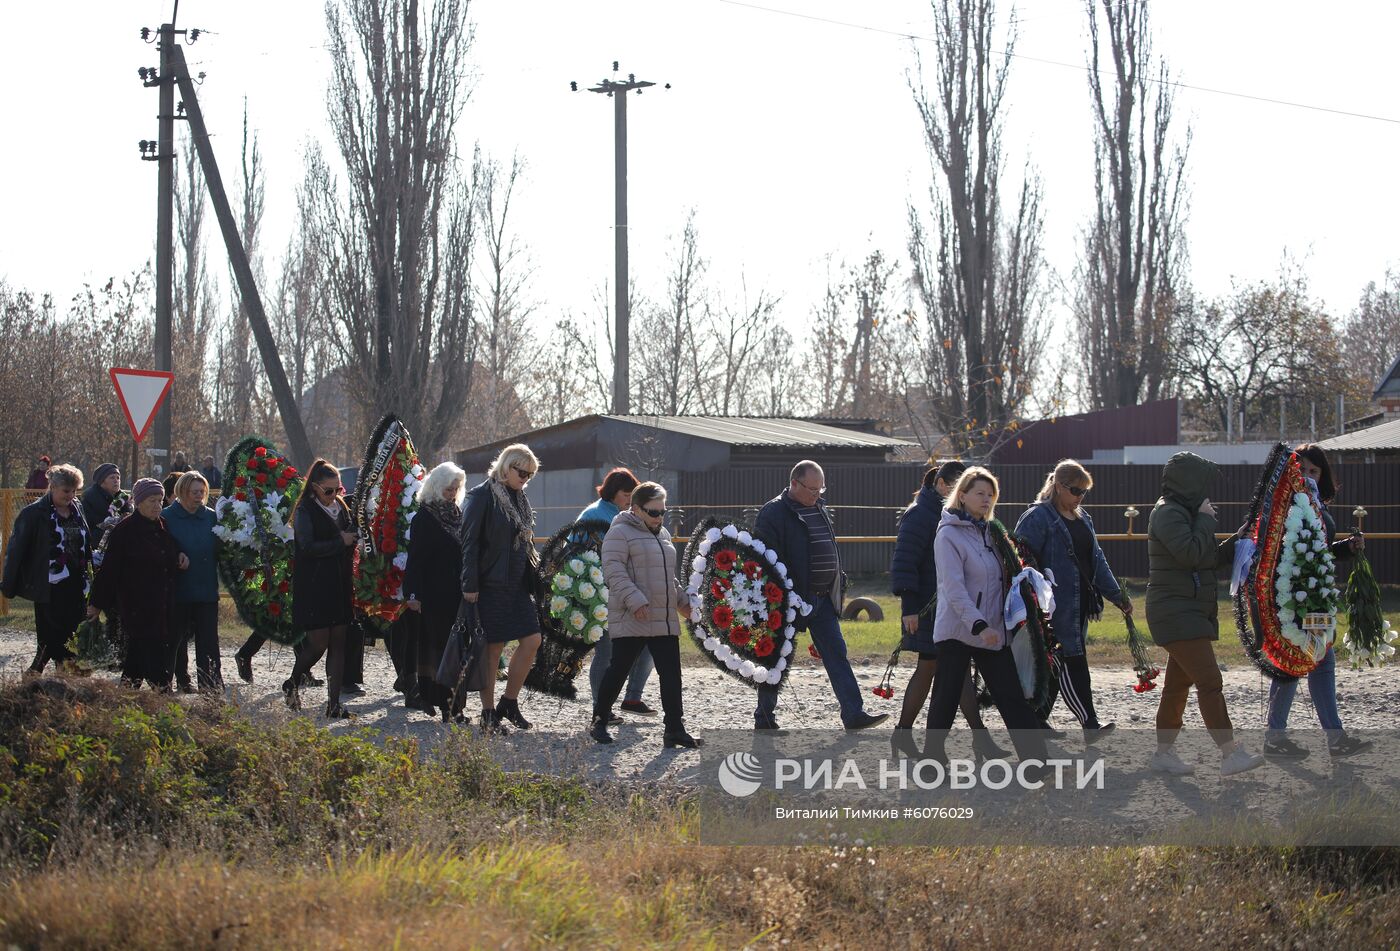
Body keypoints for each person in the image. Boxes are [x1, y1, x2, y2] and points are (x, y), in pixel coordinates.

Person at [1146, 451, 1265, 777]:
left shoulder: (1180, 512)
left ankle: (1163, 755)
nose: (1206, 490)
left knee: (1177, 686)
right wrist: (1205, 518)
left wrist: (1238, 540)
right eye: (1201, 483)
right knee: (1210, 681)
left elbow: (1206, 557)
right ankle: (1230, 754)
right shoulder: (1169, 513)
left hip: (1184, 611)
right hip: (1176, 613)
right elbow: (1191, 554)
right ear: (1188, 483)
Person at [752, 461, 888, 731]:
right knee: (777, 657)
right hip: (790, 600)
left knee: (837, 652)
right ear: (794, 483)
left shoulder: (818, 507)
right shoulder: (774, 512)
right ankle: (764, 717)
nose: (817, 494)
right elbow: (765, 559)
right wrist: (786, 596)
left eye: (820, 488)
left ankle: (853, 714)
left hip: (822, 597)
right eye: (812, 489)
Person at [926, 467, 1047, 765]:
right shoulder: (948, 535)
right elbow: (953, 590)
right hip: (958, 630)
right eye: (979, 493)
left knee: (1011, 696)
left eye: (991, 494)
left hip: (992, 630)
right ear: (962, 495)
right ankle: (932, 758)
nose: (986, 499)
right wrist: (978, 625)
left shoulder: (993, 533)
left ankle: (1036, 763)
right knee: (946, 698)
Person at [1263, 444, 1371, 759]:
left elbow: (1318, 551)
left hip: (1315, 597)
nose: (1309, 476)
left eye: (1315, 471)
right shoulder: (1286, 506)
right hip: (1292, 598)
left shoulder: (1318, 506)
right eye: (1304, 470)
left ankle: (1325, 739)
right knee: (1294, 663)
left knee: (1318, 661)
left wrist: (1346, 548)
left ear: (1322, 475)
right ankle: (1278, 737)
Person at [1014, 460, 1132, 739]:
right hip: (1051, 605)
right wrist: (1037, 591)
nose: (1080, 496)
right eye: (1075, 490)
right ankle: (1089, 723)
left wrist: (1116, 595)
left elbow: (1097, 560)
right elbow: (1021, 556)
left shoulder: (1084, 518)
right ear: (1058, 486)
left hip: (1080, 603)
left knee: (1057, 664)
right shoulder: (1037, 517)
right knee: (1071, 660)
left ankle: (1036, 722)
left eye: (1084, 492)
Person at [590, 482, 700, 747]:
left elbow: (667, 579)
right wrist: (635, 601)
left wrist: (684, 603)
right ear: (637, 509)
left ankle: (674, 728)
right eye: (654, 512)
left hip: (661, 617)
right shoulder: (619, 533)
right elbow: (613, 571)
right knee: (619, 669)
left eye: (663, 511)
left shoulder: (661, 535)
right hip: (633, 615)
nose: (659, 517)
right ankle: (599, 721)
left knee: (671, 673)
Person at [460, 444, 544, 734]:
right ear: (506, 466)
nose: (525, 478)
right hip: (490, 584)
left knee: (532, 639)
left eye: (529, 475)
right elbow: (469, 544)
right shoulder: (481, 496)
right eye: (521, 471)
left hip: (517, 584)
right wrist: (470, 585)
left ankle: (508, 702)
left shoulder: (520, 498)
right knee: (492, 649)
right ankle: (487, 713)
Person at [87, 478, 187, 689]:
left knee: (137, 658)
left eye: (160, 500)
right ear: (139, 502)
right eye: (152, 500)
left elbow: (169, 550)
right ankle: (165, 701)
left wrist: (180, 555)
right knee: (153, 658)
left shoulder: (162, 525)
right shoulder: (125, 531)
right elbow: (109, 571)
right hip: (137, 606)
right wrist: (96, 603)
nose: (157, 505)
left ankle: (124, 700)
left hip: (161, 604)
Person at [579, 467, 657, 721]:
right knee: (607, 651)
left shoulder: (625, 516)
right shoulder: (596, 516)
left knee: (647, 642)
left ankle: (632, 697)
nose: (630, 499)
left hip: (627, 592)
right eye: (626, 494)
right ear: (613, 493)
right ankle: (600, 708)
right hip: (602, 595)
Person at [283, 459, 358, 719]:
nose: (334, 495)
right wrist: (340, 541)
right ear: (314, 487)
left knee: (339, 643)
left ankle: (334, 704)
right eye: (328, 490)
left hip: (340, 583)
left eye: (337, 490)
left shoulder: (341, 507)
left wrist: (354, 537)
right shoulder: (305, 510)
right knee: (318, 644)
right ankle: (292, 682)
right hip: (314, 585)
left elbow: (350, 535)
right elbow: (307, 547)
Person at [2, 463, 91, 674]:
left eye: (74, 491)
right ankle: (41, 672)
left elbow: (85, 542)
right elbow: (16, 550)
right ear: (52, 487)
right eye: (66, 491)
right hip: (48, 583)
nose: (71, 496)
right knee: (51, 633)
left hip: (76, 582)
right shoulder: (34, 513)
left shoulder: (77, 509)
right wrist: (9, 583)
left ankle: (61, 674)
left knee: (71, 632)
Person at [404, 461, 468, 719]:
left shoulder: (458, 515)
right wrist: (413, 594)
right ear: (436, 487)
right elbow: (415, 559)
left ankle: (454, 704)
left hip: (457, 593)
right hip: (433, 593)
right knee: (438, 649)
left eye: (455, 489)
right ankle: (446, 706)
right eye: (448, 489)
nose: (452, 494)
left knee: (458, 648)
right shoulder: (424, 517)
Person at [163, 471, 222, 693]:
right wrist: (175, 554)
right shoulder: (167, 517)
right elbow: (162, 546)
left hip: (206, 589)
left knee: (209, 644)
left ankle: (211, 689)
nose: (199, 496)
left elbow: (219, 547)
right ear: (182, 491)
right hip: (179, 591)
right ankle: (164, 686)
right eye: (194, 492)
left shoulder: (210, 516)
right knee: (172, 641)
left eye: (202, 491)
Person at [82, 463, 122, 536]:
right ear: (102, 481)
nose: (116, 481)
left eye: (118, 478)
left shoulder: (122, 498)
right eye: (112, 477)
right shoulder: (90, 497)